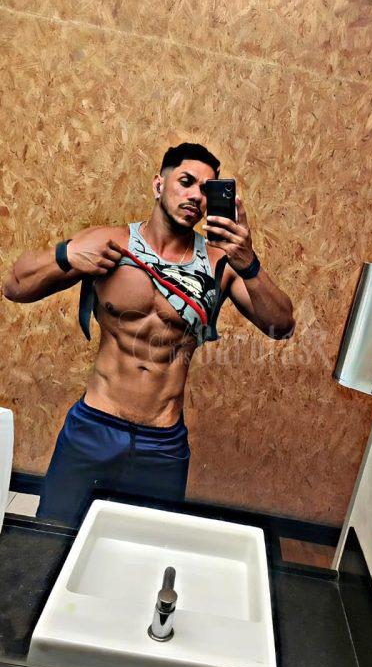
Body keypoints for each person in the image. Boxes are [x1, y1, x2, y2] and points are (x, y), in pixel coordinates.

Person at [3, 143, 295, 526]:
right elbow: (14, 286)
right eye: (186, 182)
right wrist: (67, 255)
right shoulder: (110, 243)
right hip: (95, 427)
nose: (195, 196)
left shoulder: (220, 264)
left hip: (162, 443)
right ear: (159, 185)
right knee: (53, 536)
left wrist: (250, 263)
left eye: (205, 189)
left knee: (148, 545)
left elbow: (281, 325)